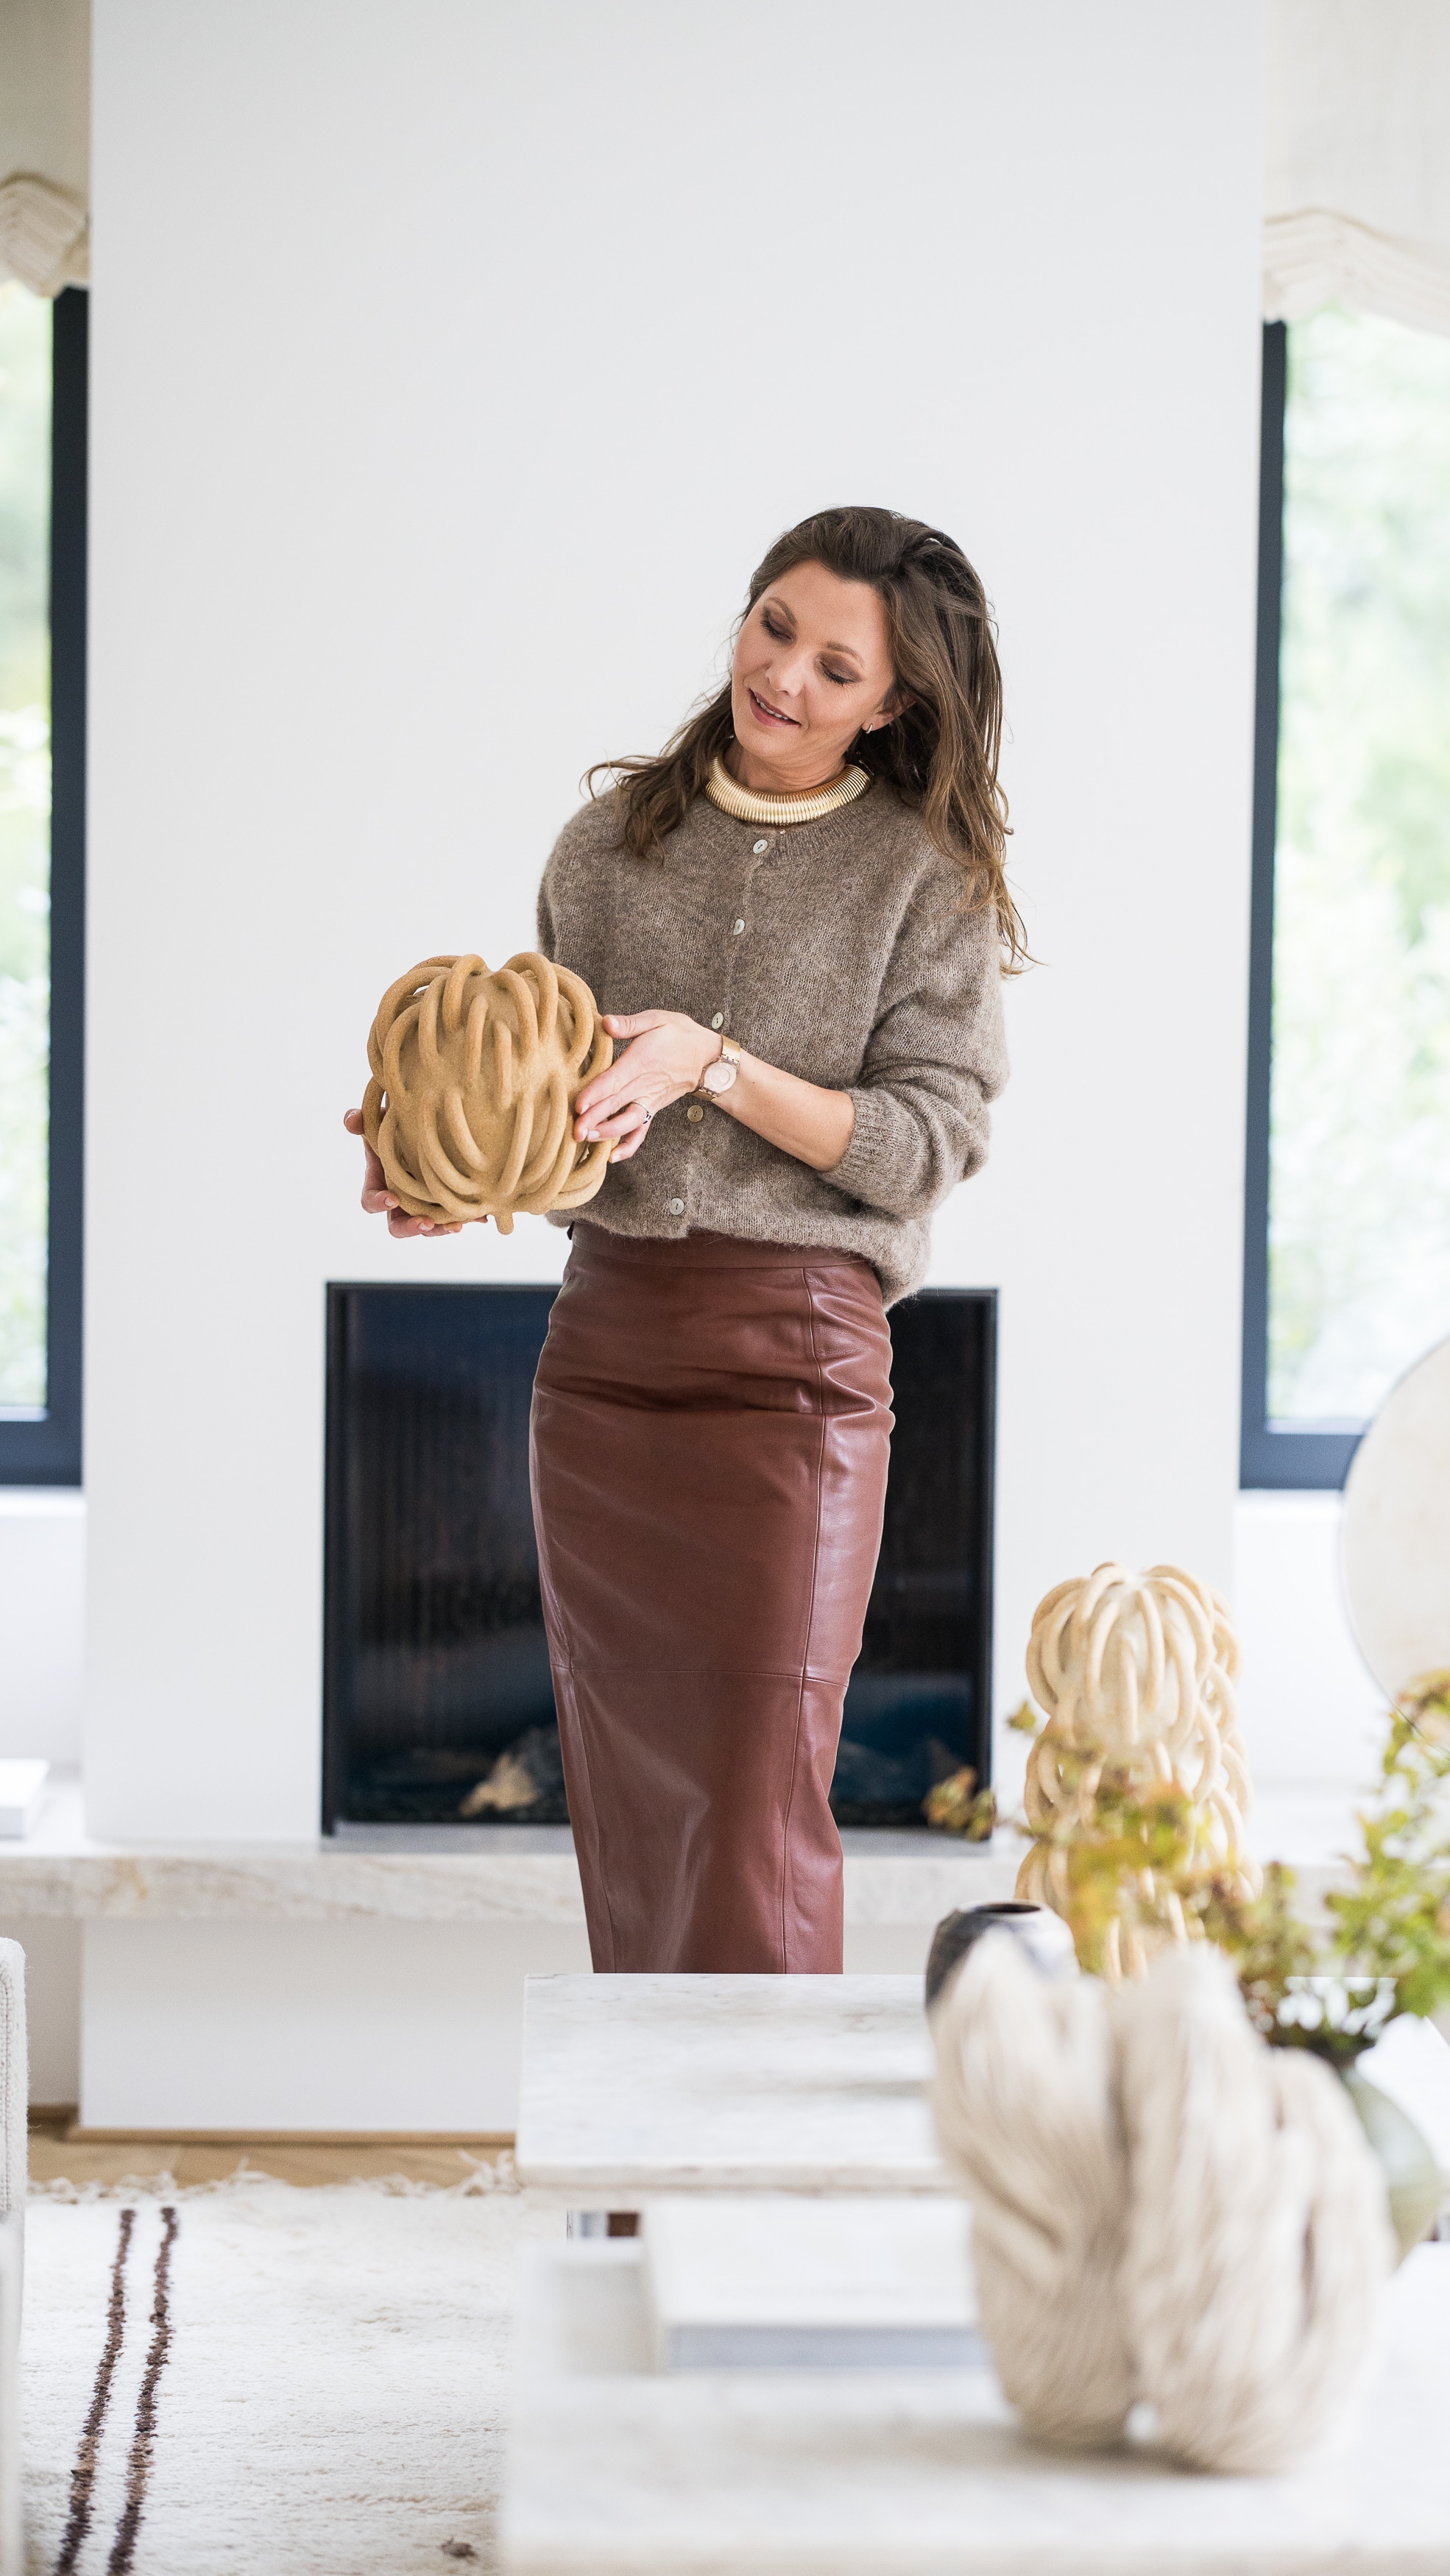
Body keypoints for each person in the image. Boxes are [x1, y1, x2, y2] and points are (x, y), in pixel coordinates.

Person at [349, 505, 1017, 1972]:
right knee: (637, 1805)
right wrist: (454, 1166)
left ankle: (764, 2180)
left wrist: (714, 1061)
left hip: (798, 1371)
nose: (783, 675)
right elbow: (573, 1136)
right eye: (774, 626)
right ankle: (658, 2187)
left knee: (758, 1797)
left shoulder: (923, 878)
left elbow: (922, 1150)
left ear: (893, 704)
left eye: (837, 669)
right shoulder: (607, 845)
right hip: (607, 1364)